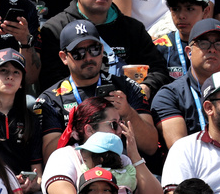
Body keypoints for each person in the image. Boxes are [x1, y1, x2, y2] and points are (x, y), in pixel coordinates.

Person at [36, 0, 170, 97]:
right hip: (78, 110)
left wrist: (146, 87)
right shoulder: (55, 28)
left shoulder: (133, 28)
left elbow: (158, 70)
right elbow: (50, 81)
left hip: (130, 107)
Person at [39, 99, 163, 194]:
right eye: (114, 124)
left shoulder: (122, 159)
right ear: (89, 130)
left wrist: (135, 156)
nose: (120, 131)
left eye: (121, 124)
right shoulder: (64, 155)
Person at [37, 18, 157, 160]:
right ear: (64, 57)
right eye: (78, 52)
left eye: (94, 49)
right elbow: (50, 157)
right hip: (78, 173)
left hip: (127, 169)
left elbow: (151, 146)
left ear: (101, 50)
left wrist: (127, 113)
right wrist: (74, 127)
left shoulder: (127, 86)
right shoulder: (51, 99)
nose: (88, 57)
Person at [152, 20, 220, 149]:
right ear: (189, 52)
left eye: (219, 44)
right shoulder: (169, 96)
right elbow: (179, 152)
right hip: (197, 167)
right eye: (204, 43)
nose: (212, 49)